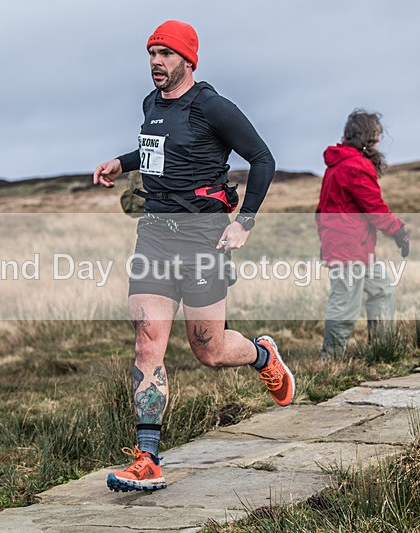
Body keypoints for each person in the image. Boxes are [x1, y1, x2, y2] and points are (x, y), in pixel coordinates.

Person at [93, 20, 295, 493]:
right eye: (151, 53)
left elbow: (262, 158)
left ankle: (263, 355)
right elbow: (158, 151)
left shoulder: (212, 106)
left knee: (209, 348)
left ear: (187, 58)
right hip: (155, 239)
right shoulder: (150, 105)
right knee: (147, 343)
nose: (156, 62)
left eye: (165, 54)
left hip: (204, 239)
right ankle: (148, 458)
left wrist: (244, 221)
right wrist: (122, 162)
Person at [315, 109, 410, 359]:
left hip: (354, 246)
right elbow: (375, 209)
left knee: (382, 291)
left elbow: (322, 209)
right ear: (367, 137)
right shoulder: (354, 166)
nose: (379, 140)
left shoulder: (340, 164)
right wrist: (399, 231)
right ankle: (330, 361)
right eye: (376, 135)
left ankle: (382, 350)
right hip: (349, 248)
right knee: (345, 305)